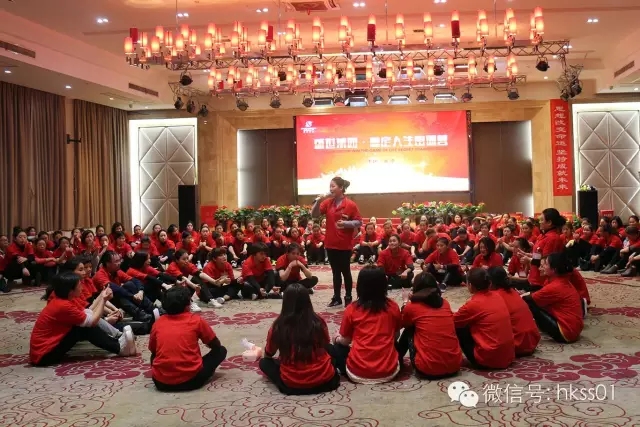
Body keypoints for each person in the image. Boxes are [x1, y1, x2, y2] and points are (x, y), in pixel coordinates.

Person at [30, 272, 137, 366]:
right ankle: (119, 347)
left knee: (83, 324)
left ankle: (117, 342)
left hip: (43, 350)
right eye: (79, 285)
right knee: (84, 328)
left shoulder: (66, 298)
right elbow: (92, 321)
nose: (82, 287)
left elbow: (88, 312)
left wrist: (101, 297)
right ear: (70, 290)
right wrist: (103, 300)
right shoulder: (63, 305)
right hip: (43, 355)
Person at [260, 283, 340, 395]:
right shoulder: (318, 322)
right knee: (332, 349)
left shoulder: (278, 326)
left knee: (264, 363)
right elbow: (325, 344)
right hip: (324, 380)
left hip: (293, 383)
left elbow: (268, 354)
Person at [328, 266, 402, 384]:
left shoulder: (352, 309)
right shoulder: (393, 306)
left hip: (357, 372)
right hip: (389, 371)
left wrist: (336, 338)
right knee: (396, 345)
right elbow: (396, 336)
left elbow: (346, 341)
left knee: (335, 348)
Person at [149, 286, 227, 391]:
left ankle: (164, 373)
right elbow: (215, 345)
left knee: (154, 355)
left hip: (161, 383)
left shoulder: (158, 323)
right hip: (192, 381)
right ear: (188, 305)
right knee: (221, 350)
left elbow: (153, 350)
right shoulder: (196, 320)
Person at [396, 272, 462, 379]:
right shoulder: (445, 303)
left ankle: (397, 358)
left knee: (409, 328)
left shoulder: (412, 307)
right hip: (455, 366)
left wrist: (405, 303)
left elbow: (401, 324)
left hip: (427, 369)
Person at [311, 177, 362, 308]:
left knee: (345, 271)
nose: (331, 189)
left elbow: (358, 222)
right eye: (330, 186)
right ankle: (337, 297)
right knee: (335, 272)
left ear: (341, 188)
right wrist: (318, 201)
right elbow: (314, 215)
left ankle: (348, 296)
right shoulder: (328, 202)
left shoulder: (350, 204)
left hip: (344, 244)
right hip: (330, 243)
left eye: (333, 186)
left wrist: (346, 223)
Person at [453, 268, 515, 370]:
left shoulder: (473, 304)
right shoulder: (497, 296)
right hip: (508, 355)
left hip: (488, 359)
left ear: (470, 285)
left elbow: (452, 321)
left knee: (459, 327)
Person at [522, 252, 584, 343]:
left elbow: (528, 299)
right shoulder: (560, 280)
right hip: (573, 328)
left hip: (566, 332)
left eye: (545, 264)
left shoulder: (556, 286)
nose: (541, 267)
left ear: (554, 269)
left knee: (528, 303)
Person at [488, 267, 540, 357]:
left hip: (518, 344)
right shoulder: (512, 291)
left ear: (490, 282)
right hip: (532, 340)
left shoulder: (495, 296)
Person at [513, 208, 566, 292]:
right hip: (534, 276)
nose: (539, 222)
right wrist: (527, 254)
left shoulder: (553, 238)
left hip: (542, 280)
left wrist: (528, 259)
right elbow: (539, 255)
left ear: (549, 222)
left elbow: (546, 262)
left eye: (541, 220)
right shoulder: (542, 236)